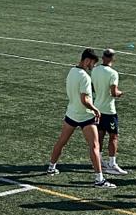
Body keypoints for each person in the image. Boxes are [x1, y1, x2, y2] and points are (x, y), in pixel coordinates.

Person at [44, 49, 115, 188]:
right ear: (87, 60)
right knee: (94, 146)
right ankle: (99, 179)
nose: (93, 66)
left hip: (71, 113)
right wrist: (95, 109)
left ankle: (51, 167)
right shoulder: (85, 77)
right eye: (92, 63)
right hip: (85, 116)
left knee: (61, 141)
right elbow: (85, 100)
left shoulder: (71, 72)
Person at [90, 49, 128, 176]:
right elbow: (113, 92)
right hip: (109, 110)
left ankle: (99, 160)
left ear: (103, 57)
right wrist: (120, 93)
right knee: (113, 136)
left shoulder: (95, 70)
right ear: (113, 59)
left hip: (97, 108)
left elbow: (93, 87)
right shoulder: (113, 73)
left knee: (99, 135)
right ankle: (112, 163)